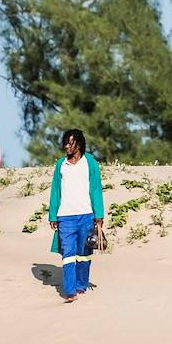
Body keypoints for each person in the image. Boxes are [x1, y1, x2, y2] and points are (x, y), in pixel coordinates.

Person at [48, 128, 104, 303]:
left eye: (70, 142)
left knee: (84, 254)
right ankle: (70, 290)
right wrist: (52, 215)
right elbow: (55, 191)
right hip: (65, 217)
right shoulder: (60, 165)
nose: (67, 146)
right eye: (65, 142)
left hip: (86, 215)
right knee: (68, 254)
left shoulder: (90, 163)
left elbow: (96, 189)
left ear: (79, 144)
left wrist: (99, 214)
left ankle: (81, 284)